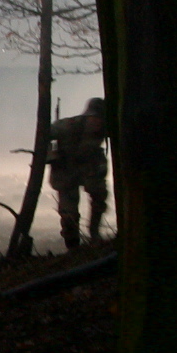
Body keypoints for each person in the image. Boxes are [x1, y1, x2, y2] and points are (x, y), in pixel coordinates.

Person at [48, 97, 110, 249]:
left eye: (100, 118)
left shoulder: (105, 128)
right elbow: (45, 134)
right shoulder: (68, 126)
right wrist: (51, 155)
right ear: (87, 116)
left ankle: (94, 234)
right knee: (68, 214)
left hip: (89, 169)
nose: (96, 122)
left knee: (100, 196)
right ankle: (73, 246)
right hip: (65, 170)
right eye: (93, 117)